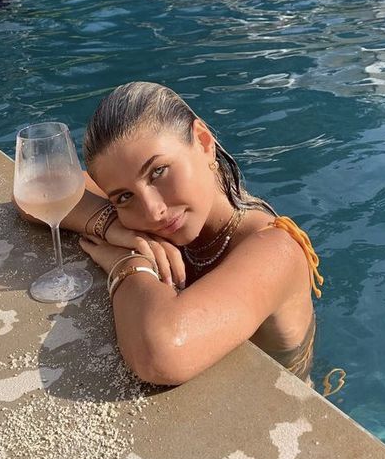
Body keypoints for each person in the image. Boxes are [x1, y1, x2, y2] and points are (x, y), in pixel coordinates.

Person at [32, 82, 324, 386]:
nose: (153, 210)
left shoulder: (277, 250)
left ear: (203, 141)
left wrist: (126, 261)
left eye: (158, 172)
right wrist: (111, 225)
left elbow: (161, 354)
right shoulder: (155, 220)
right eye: (123, 197)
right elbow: (35, 186)